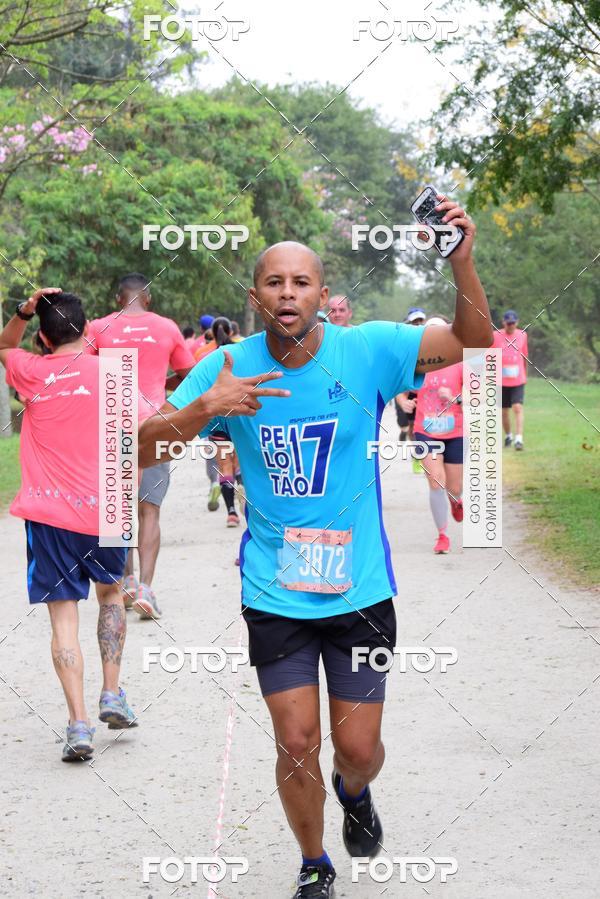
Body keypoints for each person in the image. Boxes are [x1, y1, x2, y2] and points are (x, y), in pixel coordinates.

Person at [139, 195, 491, 897]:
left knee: (356, 749)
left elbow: (472, 340)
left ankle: (354, 793)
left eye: (302, 282)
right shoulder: (227, 366)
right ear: (255, 296)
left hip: (360, 591)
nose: (288, 292)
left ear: (322, 296)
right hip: (275, 590)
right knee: (295, 740)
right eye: (275, 282)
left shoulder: (369, 349)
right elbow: (141, 446)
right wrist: (204, 408)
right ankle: (313, 862)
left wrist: (461, 257)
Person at [0, 289, 137, 762]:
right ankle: (112, 694)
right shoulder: (114, 372)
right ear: (85, 330)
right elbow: (142, 431)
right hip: (110, 507)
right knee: (112, 594)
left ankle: (79, 725)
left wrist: (22, 310)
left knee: (63, 615)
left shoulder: (32, 371)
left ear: (43, 336)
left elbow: (2, 347)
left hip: (49, 514)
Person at [87, 273, 195, 619]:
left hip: (112, 424)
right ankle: (147, 589)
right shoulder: (167, 327)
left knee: (119, 510)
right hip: (154, 425)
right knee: (149, 510)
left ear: (119, 298)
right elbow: (189, 375)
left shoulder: (99, 327)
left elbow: (83, 370)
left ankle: (126, 582)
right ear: (147, 299)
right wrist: (163, 385)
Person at [413, 316, 464, 554]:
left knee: (454, 487)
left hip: (455, 432)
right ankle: (442, 535)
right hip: (425, 431)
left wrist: (454, 398)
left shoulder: (462, 361)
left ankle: (456, 502)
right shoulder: (416, 363)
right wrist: (403, 402)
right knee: (435, 481)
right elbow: (400, 388)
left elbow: (481, 396)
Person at [195, 316, 245, 524]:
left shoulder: (202, 354)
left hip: (216, 415)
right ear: (231, 332)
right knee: (241, 464)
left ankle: (231, 512)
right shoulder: (243, 349)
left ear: (211, 334)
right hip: (241, 412)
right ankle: (245, 497)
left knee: (224, 465)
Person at [394, 308, 426, 472]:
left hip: (423, 388)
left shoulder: (429, 339)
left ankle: (420, 454)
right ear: (409, 323)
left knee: (419, 425)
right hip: (404, 388)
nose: (418, 324)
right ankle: (416, 451)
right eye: (415, 321)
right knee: (410, 426)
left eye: (421, 321)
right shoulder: (401, 341)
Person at [492, 310, 528, 450]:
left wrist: (525, 374)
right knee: (504, 411)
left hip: (518, 379)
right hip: (500, 381)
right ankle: (508, 435)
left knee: (517, 407)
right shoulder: (495, 336)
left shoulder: (522, 335)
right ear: (503, 323)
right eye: (508, 323)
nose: (511, 326)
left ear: (517, 323)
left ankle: (519, 440)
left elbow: (525, 355)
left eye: (513, 323)